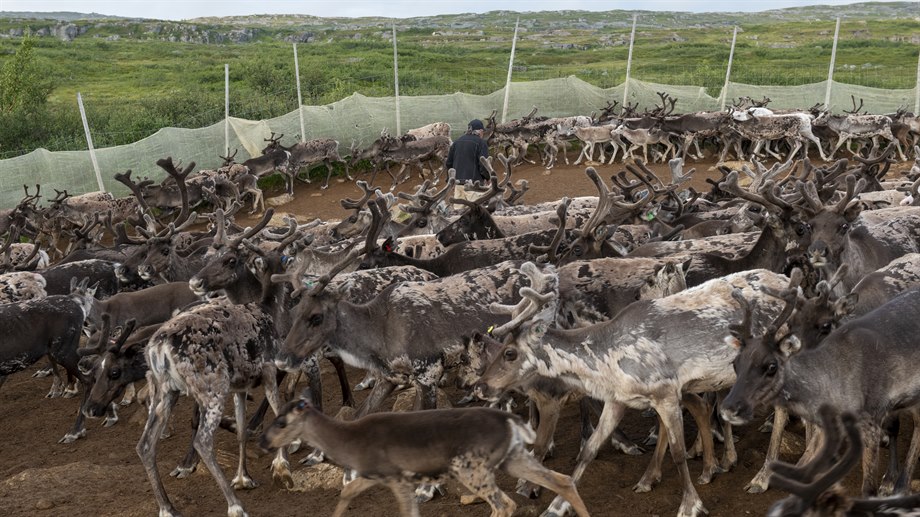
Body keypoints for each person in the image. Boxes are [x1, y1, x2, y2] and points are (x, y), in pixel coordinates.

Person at [445, 119, 491, 205]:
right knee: (475, 211)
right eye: (482, 132)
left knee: (458, 214)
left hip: (458, 183)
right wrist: (487, 178)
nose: (483, 134)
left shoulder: (456, 142)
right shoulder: (481, 143)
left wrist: (450, 180)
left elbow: (448, 163)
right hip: (473, 185)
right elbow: (483, 164)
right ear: (480, 131)